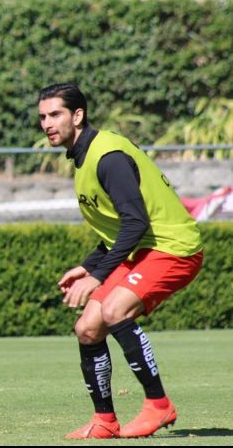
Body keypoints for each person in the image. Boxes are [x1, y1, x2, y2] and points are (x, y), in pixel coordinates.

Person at [38, 83, 203, 439]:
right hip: (142, 250)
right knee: (87, 328)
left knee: (114, 311)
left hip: (174, 248)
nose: (47, 123)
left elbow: (136, 222)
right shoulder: (84, 157)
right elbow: (120, 228)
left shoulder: (107, 156)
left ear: (77, 115)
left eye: (55, 114)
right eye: (42, 117)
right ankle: (105, 420)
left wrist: (97, 276)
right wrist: (89, 265)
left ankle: (158, 404)